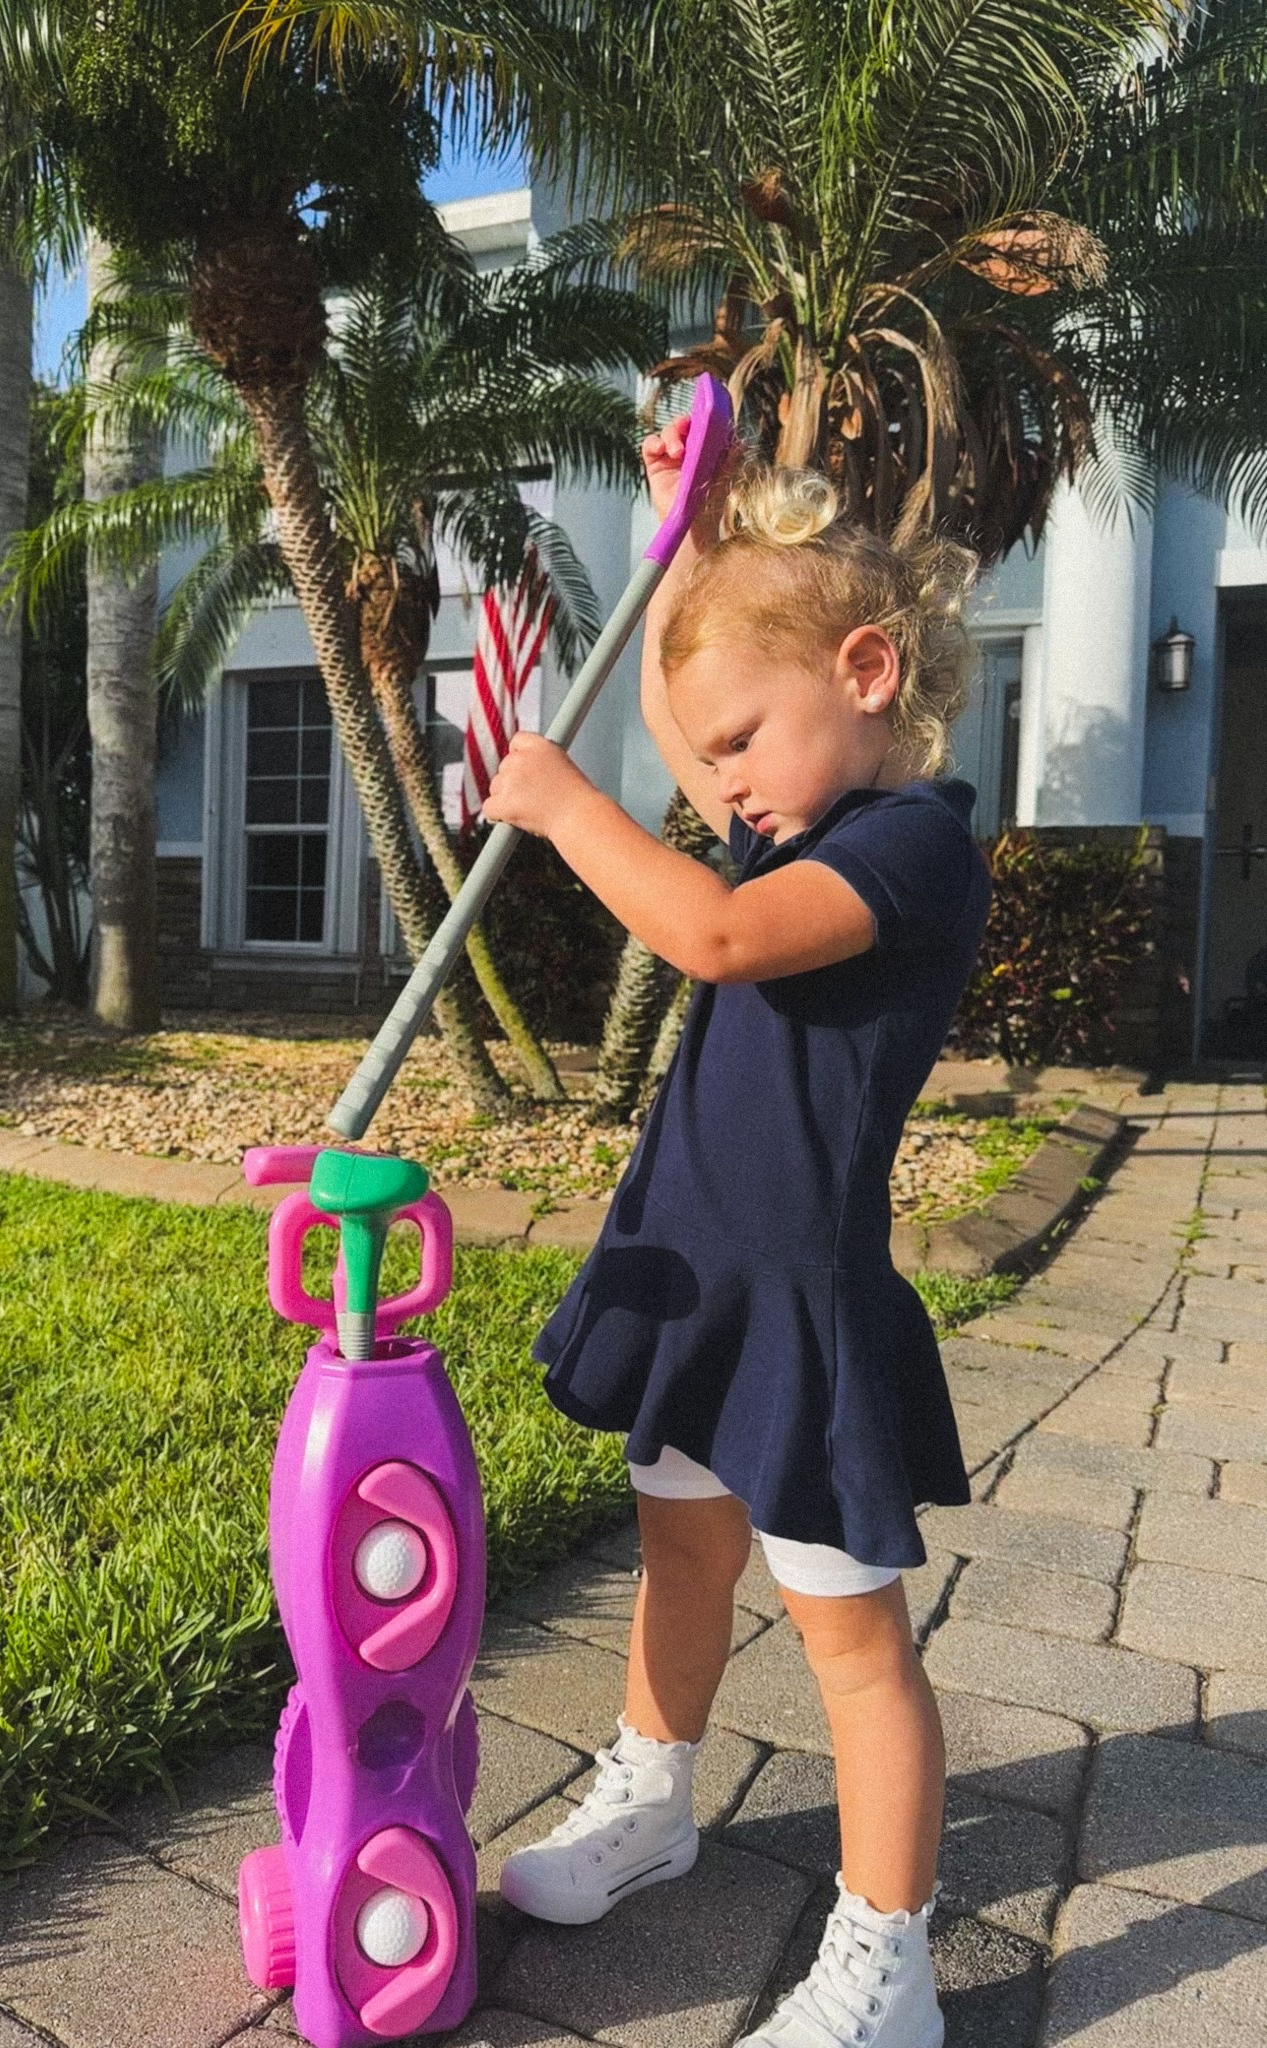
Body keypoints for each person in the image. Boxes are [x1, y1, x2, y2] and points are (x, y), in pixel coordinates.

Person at [480, 421, 992, 2048]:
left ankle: (888, 1964)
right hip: (696, 1272)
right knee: (680, 1554)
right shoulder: (791, 808)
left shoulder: (910, 847)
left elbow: (708, 937)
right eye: (717, 758)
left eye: (744, 743)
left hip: (799, 1306)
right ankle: (654, 1797)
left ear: (866, 669)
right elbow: (667, 702)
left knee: (855, 1647)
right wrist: (680, 530)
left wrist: (567, 810)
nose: (723, 779)